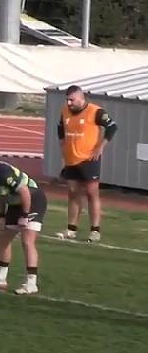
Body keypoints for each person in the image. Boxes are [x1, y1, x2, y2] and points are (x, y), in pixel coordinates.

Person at [0, 144, 46, 295]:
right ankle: (0, 278)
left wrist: (25, 216)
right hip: (14, 203)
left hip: (33, 199)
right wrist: (1, 216)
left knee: (27, 240)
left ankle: (31, 283)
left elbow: (24, 191)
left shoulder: (2, 171)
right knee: (4, 238)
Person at [56, 85, 118, 242]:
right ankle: (71, 229)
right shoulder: (64, 111)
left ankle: (95, 231)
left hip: (89, 159)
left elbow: (112, 127)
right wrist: (63, 149)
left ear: (81, 98)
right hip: (71, 159)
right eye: (67, 100)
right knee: (73, 193)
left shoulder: (95, 111)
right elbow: (61, 131)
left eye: (72, 100)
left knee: (92, 193)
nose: (69, 103)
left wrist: (100, 147)